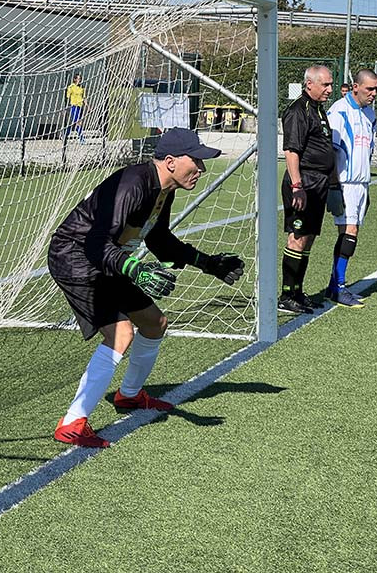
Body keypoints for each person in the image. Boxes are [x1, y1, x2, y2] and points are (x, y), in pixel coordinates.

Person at [48, 128, 245, 448]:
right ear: (171, 161)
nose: (201, 169)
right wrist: (134, 269)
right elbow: (95, 242)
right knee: (121, 334)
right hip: (75, 257)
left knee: (155, 323)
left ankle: (129, 396)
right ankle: (72, 423)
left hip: (106, 260)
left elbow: (160, 240)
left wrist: (207, 263)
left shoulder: (163, 189)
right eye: (196, 161)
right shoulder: (134, 184)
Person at [278, 64, 335, 315]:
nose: (330, 89)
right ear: (309, 84)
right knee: (297, 237)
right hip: (304, 181)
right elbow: (292, 151)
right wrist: (297, 185)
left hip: (318, 183)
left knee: (308, 237)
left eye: (330, 84)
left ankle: (298, 292)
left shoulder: (318, 110)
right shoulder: (297, 110)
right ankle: (287, 295)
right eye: (325, 84)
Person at [325, 68, 377, 308]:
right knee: (349, 233)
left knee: (350, 234)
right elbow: (330, 151)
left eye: (376, 89)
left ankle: (333, 286)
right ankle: (339, 287)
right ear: (355, 87)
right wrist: (334, 186)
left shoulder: (370, 113)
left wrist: (366, 182)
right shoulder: (339, 111)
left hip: (361, 183)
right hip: (344, 183)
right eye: (370, 89)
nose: (374, 93)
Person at [66, 74, 86, 143]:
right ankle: (81, 138)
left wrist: (88, 106)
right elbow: (67, 97)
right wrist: (66, 108)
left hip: (80, 106)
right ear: (74, 79)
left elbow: (84, 97)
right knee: (77, 122)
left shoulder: (82, 87)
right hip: (74, 106)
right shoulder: (71, 87)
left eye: (80, 79)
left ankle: (65, 134)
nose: (79, 80)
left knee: (76, 122)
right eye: (78, 79)